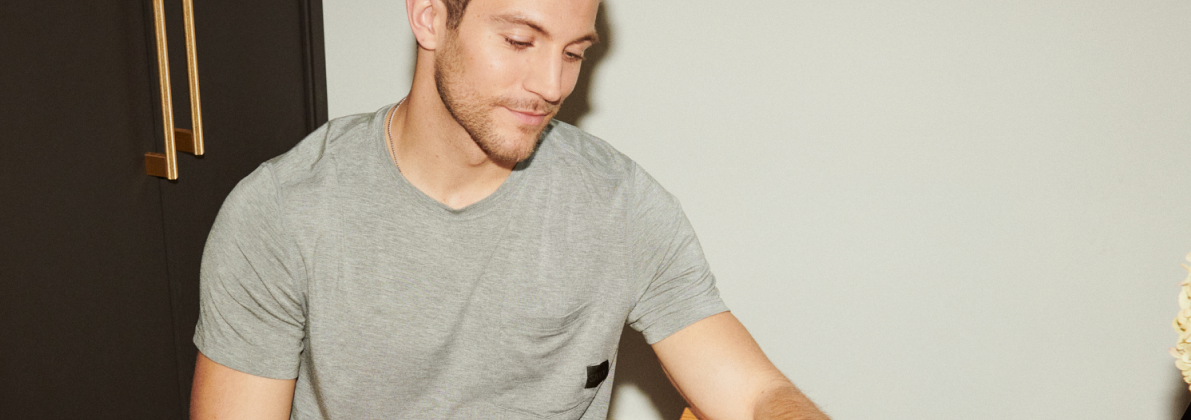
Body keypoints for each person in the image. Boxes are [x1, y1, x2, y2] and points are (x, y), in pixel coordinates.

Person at [188, 0, 827, 418]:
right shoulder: (281, 215)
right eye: (521, 41)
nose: (552, 86)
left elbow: (757, 395)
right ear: (431, 17)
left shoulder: (620, 206)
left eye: (575, 53)